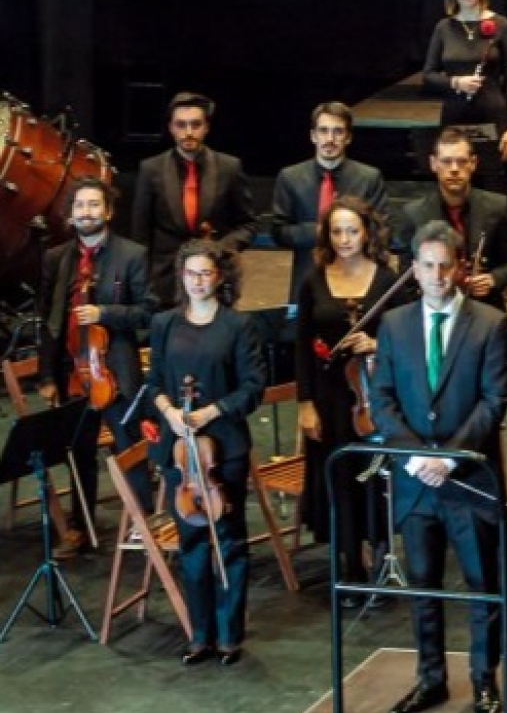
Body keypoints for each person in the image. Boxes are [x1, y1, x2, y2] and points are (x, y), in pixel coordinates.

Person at [371, 221, 507, 713]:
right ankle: (430, 679)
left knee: (481, 583)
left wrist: (449, 458)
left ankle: (484, 681)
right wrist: (415, 458)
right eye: (427, 266)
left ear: (460, 267)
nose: (437, 275)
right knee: (424, 584)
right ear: (413, 269)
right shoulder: (393, 324)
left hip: (468, 477)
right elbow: (381, 400)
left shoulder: (490, 323)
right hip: (414, 480)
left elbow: (494, 402)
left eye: (445, 265)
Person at [145, 240, 267, 666]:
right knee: (192, 541)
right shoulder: (163, 323)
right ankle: (199, 634)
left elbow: (253, 387)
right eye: (191, 273)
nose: (198, 281)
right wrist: (169, 413)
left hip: (223, 449)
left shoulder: (238, 326)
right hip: (179, 450)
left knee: (230, 541)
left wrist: (210, 411)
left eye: (206, 273)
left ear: (220, 277)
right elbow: (155, 382)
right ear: (181, 276)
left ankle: (230, 635)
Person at [38, 179, 157, 547]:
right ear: (70, 214)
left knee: (128, 442)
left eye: (93, 205)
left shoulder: (132, 254)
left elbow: (148, 311)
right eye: (79, 206)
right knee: (79, 449)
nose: (86, 212)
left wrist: (105, 312)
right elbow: (48, 321)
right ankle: (83, 524)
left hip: (114, 370)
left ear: (107, 211)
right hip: (72, 371)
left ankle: (144, 519)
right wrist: (46, 375)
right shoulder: (57, 258)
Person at [294, 196, 404, 591]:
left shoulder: (388, 280)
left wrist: (376, 346)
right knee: (338, 474)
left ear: (366, 233)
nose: (344, 239)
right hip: (329, 396)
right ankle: (348, 559)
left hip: (372, 393)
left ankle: (378, 547)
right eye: (336, 231)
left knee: (372, 473)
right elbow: (302, 343)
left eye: (352, 230)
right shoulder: (313, 279)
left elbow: (404, 336)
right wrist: (306, 404)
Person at [131, 92, 257, 307]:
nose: (188, 132)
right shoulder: (150, 169)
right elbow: (140, 234)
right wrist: (142, 282)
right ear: (171, 127)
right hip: (165, 281)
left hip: (214, 277)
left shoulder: (229, 167)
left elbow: (248, 224)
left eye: (195, 125)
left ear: (206, 127)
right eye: (181, 125)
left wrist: (218, 247)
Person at [422, 0, 507, 198]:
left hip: (493, 119)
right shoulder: (443, 28)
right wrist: (455, 82)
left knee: (495, 193)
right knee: (455, 192)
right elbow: (428, 75)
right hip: (455, 117)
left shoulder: (502, 25)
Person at [270, 101, 389, 302]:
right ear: (313, 136)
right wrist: (322, 231)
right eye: (323, 131)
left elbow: (383, 229)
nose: (330, 139)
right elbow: (279, 231)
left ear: (348, 137)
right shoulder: (290, 177)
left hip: (358, 281)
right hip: (307, 280)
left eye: (338, 132)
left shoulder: (369, 178)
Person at [397, 128, 507, 312]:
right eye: (446, 162)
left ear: (473, 163)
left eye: (462, 162)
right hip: (434, 309)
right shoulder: (413, 214)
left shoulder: (498, 206)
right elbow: (406, 275)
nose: (454, 169)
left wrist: (494, 279)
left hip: (484, 309)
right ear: (433, 164)